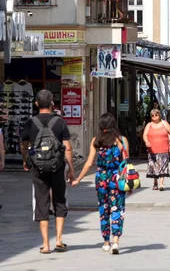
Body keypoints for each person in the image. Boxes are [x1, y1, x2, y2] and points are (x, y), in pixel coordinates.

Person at [20, 89, 74, 254]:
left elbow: (23, 145)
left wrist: (26, 160)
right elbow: (68, 148)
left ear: (36, 104)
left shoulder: (29, 123)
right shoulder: (60, 122)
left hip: (38, 167)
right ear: (52, 103)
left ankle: (46, 244)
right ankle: (58, 240)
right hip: (57, 166)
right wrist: (71, 170)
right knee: (59, 200)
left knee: (41, 201)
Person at [72, 113, 128, 255]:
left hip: (101, 178)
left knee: (104, 209)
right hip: (117, 179)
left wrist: (78, 179)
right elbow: (124, 163)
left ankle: (106, 242)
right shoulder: (121, 140)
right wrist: (127, 182)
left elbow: (89, 162)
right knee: (117, 209)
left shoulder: (96, 140)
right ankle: (116, 241)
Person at [143, 109, 170, 191]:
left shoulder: (164, 123)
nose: (154, 117)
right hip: (152, 150)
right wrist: (146, 141)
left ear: (159, 115)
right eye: (152, 115)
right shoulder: (149, 125)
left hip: (163, 148)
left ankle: (161, 184)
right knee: (154, 167)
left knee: (163, 166)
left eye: (156, 115)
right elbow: (145, 135)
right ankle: (155, 182)